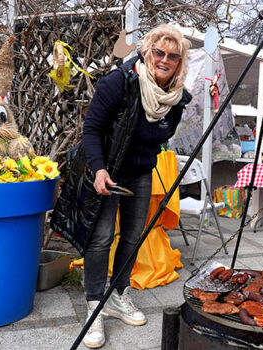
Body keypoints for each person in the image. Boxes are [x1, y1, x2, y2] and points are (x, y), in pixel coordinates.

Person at [79, 24, 192, 348]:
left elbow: (162, 137)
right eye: (159, 52)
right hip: (107, 172)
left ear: (179, 61)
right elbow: (91, 130)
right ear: (148, 52)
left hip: (140, 173)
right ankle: (94, 307)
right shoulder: (120, 83)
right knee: (101, 239)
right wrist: (99, 170)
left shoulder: (176, 99)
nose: (165, 60)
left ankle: (117, 295)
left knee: (132, 236)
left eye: (173, 55)